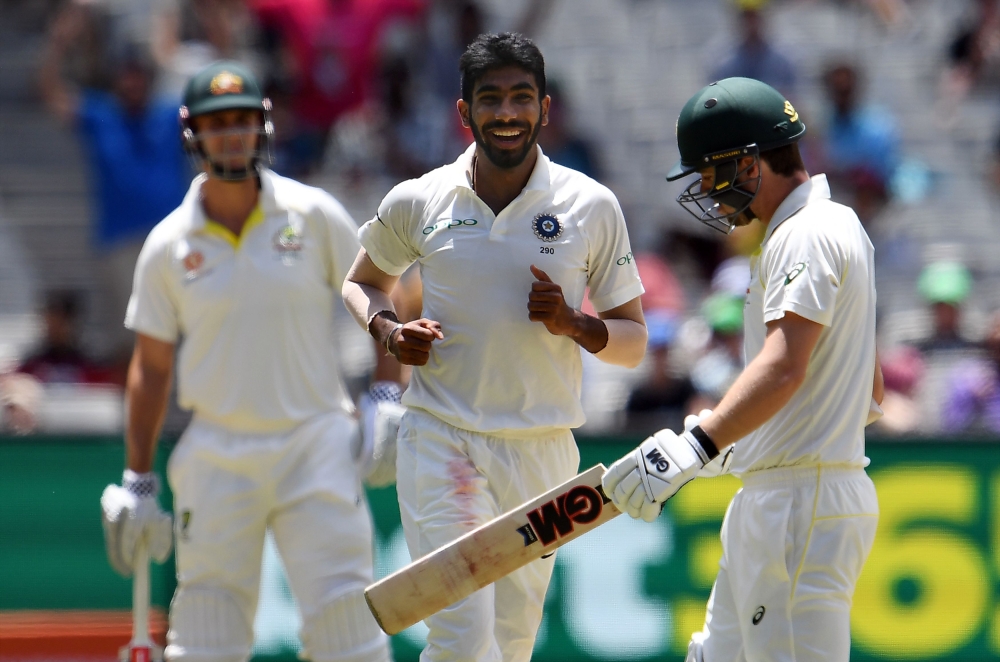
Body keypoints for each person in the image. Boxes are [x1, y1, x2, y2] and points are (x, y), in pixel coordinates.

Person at [342, 32, 646, 662]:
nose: (506, 114)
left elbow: (633, 342)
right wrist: (391, 334)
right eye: (490, 99)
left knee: (509, 643)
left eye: (520, 98)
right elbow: (362, 283)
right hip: (441, 435)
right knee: (462, 633)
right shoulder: (420, 198)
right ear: (464, 112)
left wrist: (574, 324)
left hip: (543, 453)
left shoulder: (590, 205)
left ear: (544, 107)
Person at [98, 60, 395, 662]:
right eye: (216, 123)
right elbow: (151, 369)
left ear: (262, 126)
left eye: (240, 121)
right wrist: (138, 476)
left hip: (315, 442)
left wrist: (388, 394)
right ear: (192, 134)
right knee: (206, 634)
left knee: (346, 626)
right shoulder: (166, 245)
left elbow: (389, 289)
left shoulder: (314, 214)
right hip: (217, 452)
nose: (230, 134)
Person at [602, 77, 882, 662]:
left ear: (751, 162)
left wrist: (699, 446)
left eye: (710, 170)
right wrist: (750, 442)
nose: (706, 188)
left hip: (800, 500)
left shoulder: (806, 233)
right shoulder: (831, 225)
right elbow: (869, 389)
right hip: (787, 490)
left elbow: (783, 369)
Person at [40, 4, 190, 365]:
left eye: (138, 75)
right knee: (129, 338)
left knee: (183, 332)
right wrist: (58, 43)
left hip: (172, 239)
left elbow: (214, 80)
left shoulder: (169, 112)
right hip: (119, 242)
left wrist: (169, 33)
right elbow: (51, 94)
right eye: (125, 75)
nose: (132, 82)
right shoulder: (102, 114)